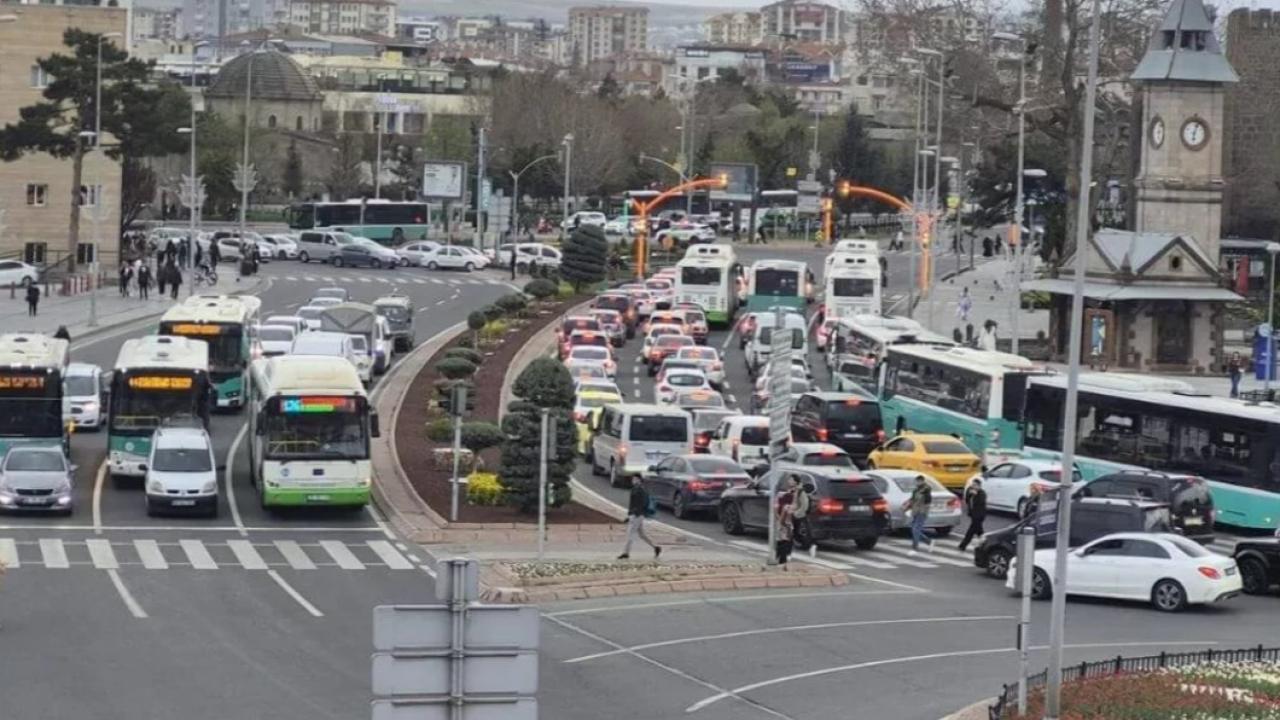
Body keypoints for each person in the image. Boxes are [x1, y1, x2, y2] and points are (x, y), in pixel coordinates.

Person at [618, 476, 661, 560]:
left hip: (637, 515)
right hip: (636, 515)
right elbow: (633, 503)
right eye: (633, 479)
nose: (633, 481)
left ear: (639, 480)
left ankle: (626, 553)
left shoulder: (640, 490)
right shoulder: (635, 489)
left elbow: (642, 503)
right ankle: (656, 547)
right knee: (642, 534)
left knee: (630, 533)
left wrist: (634, 514)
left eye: (635, 479)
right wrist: (630, 514)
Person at [905, 474, 934, 555]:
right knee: (914, 529)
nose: (917, 483)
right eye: (916, 481)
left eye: (919, 481)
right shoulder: (916, 490)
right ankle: (929, 542)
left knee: (915, 529)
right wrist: (907, 507)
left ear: (922, 481)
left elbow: (928, 501)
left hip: (922, 512)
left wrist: (925, 493)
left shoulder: (926, 490)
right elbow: (913, 500)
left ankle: (915, 548)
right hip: (915, 511)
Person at [957, 479, 988, 552]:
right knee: (979, 532)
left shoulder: (982, 493)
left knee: (971, 531)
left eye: (975, 485)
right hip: (973, 515)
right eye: (972, 485)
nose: (973, 487)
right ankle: (985, 544)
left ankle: (963, 545)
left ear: (979, 486)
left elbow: (980, 502)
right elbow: (967, 500)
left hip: (979, 515)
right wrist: (970, 494)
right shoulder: (970, 491)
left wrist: (976, 494)